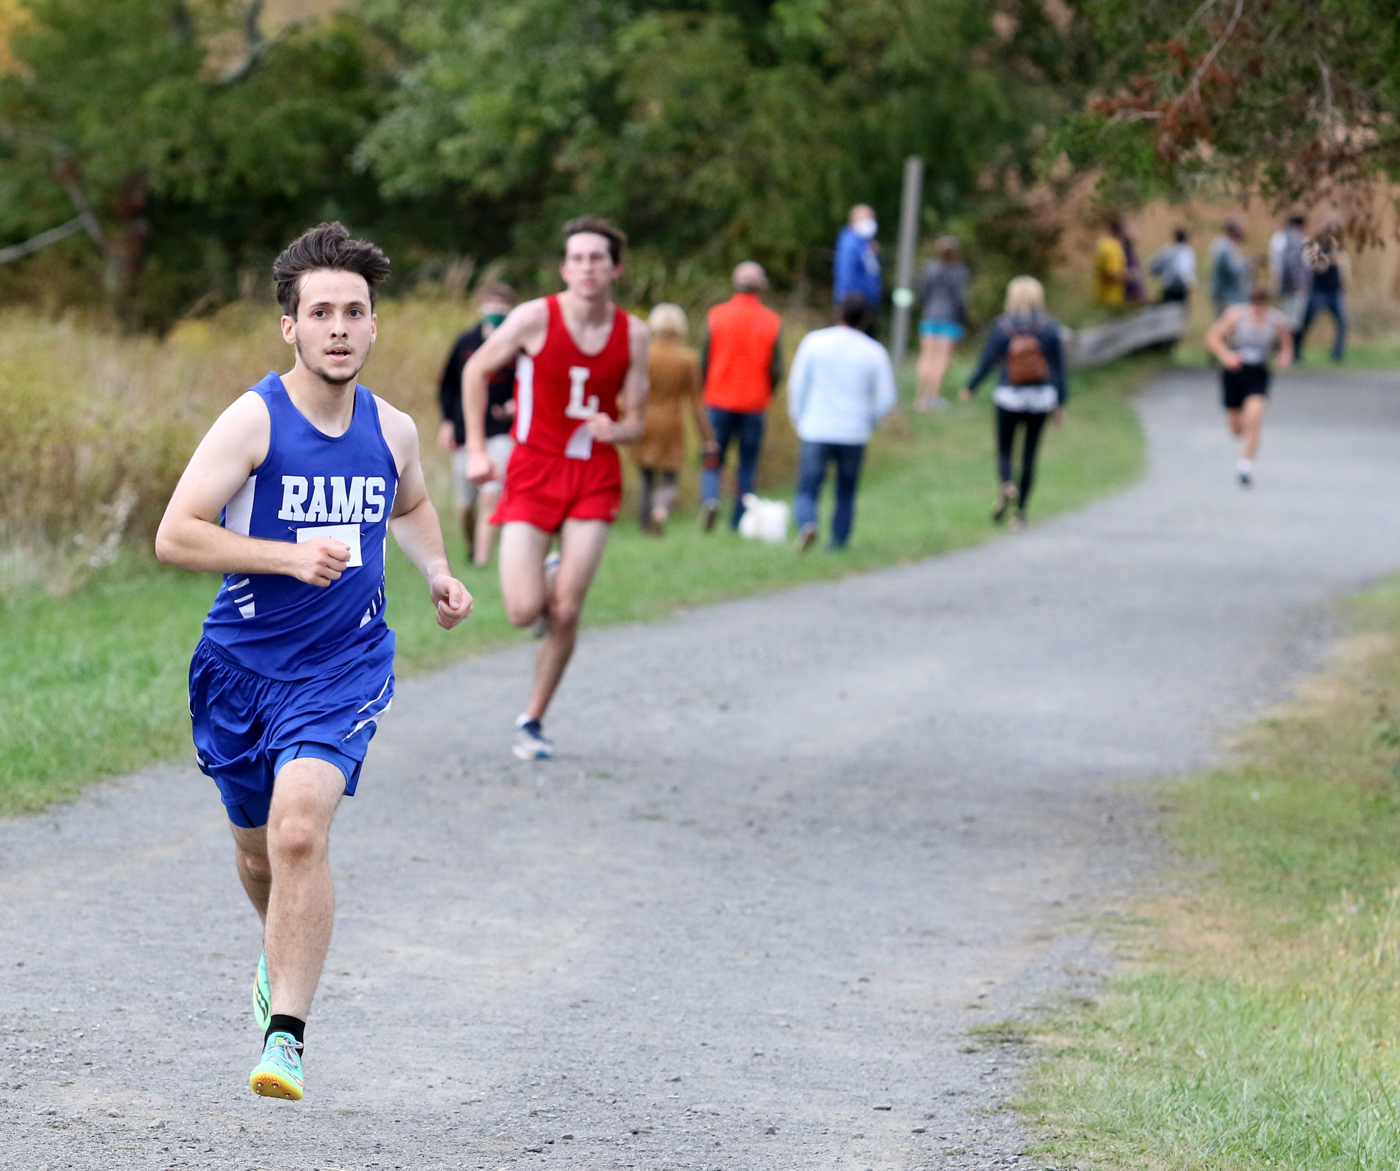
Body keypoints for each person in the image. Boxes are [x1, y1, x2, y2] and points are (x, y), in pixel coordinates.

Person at [153, 222, 473, 1101]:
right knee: (259, 853)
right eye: (321, 311)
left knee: (301, 829)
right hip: (239, 670)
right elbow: (176, 534)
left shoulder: (395, 429)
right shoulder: (255, 418)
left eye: (355, 311)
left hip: (344, 665)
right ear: (289, 326)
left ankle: (286, 1035)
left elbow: (409, 505)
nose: (339, 326)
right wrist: (287, 555)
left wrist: (439, 572)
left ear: (374, 326)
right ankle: (276, 949)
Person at [462, 216, 650, 761]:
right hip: (533, 468)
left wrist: (618, 429)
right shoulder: (534, 318)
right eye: (577, 258)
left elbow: (638, 418)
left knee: (566, 610)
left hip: (594, 473)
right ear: (565, 267)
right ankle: (543, 579)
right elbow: (476, 371)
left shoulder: (633, 334)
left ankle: (533, 718)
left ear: (615, 267)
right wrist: (477, 449)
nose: (587, 267)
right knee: (524, 612)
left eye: (598, 258)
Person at [787, 293, 897, 552]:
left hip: (816, 427)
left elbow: (797, 385)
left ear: (839, 313)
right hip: (854, 432)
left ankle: (807, 523)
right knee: (845, 492)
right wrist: (869, 421)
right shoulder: (874, 351)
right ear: (866, 319)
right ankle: (838, 542)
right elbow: (886, 397)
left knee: (807, 488)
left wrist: (799, 418)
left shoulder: (815, 342)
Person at [958, 275, 1067, 531]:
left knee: (1005, 449)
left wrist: (969, 388)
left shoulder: (1003, 327)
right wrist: (1060, 403)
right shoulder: (1050, 328)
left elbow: (987, 361)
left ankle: (1007, 483)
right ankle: (1020, 514)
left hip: (1009, 396)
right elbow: (1059, 369)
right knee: (1029, 454)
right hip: (1041, 399)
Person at [437, 281, 517, 566]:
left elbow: (526, 384)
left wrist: (514, 405)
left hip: (500, 431)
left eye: (502, 304)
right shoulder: (465, 342)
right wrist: (447, 422)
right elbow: (447, 385)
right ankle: (471, 546)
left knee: (490, 495)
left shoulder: (516, 345)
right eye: (491, 303)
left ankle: (483, 560)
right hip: (464, 431)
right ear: (482, 306)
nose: (496, 309)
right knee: (465, 505)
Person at [699, 261, 783, 531]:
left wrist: (704, 389)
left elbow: (704, 359)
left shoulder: (716, 315)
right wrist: (767, 391)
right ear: (762, 286)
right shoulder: (771, 320)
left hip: (718, 399)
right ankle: (739, 519)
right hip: (755, 403)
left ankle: (710, 499)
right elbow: (777, 368)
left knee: (712, 457)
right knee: (747, 464)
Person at [635, 303, 713, 535]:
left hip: (643, 420)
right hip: (671, 422)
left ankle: (646, 527)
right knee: (670, 477)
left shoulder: (643, 354)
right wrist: (707, 436)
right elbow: (696, 404)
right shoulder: (687, 358)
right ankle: (661, 509)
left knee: (647, 477)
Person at [1205, 283, 1294, 486]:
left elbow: (1286, 344)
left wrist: (1284, 356)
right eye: (1256, 307)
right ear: (1250, 304)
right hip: (1235, 370)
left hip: (1258, 372)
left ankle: (1245, 465)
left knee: (1254, 416)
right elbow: (1213, 337)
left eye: (1263, 307)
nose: (1260, 311)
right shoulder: (1236, 315)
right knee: (1237, 428)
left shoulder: (1276, 319)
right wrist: (1226, 356)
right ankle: (1247, 437)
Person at [914, 235, 970, 411]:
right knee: (941, 359)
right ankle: (933, 396)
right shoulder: (959, 271)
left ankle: (920, 397)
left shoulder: (929, 268)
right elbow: (960, 299)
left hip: (929, 316)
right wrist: (965, 319)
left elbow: (922, 294)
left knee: (926, 356)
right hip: (949, 319)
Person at [1298, 222, 1347, 364]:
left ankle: (1337, 355)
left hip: (1335, 290)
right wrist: (1328, 260)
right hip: (1318, 290)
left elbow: (1342, 266)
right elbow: (1312, 265)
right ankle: (1297, 351)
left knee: (1342, 322)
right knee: (1307, 321)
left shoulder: (1337, 246)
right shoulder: (1314, 246)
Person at [833, 204, 882, 336]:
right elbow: (846, 276)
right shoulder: (850, 243)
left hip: (866, 305)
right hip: (855, 305)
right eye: (865, 219)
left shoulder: (866, 244)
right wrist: (851, 304)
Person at [1268, 214, 1311, 345]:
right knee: (1291, 321)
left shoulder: (1278, 237)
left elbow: (1274, 264)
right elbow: (1291, 261)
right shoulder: (1297, 239)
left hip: (1279, 284)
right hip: (1294, 286)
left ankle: (1283, 349)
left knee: (1282, 317)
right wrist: (1298, 281)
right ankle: (1286, 350)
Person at [1208, 219, 1251, 317]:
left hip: (1231, 295)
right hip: (1226, 296)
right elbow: (1232, 269)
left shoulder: (1230, 247)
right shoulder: (1223, 247)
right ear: (1232, 231)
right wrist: (1246, 265)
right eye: (1240, 229)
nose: (1243, 232)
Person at [1150, 227, 1196, 304]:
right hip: (1182, 288)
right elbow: (1183, 271)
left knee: (1168, 311)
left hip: (1168, 287)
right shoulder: (1188, 252)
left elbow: (1154, 268)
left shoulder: (1167, 250)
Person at [1093, 218, 1128, 309]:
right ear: (1120, 231)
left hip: (1101, 296)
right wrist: (1129, 276)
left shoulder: (1102, 243)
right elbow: (1111, 272)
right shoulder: (1112, 247)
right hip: (1111, 299)